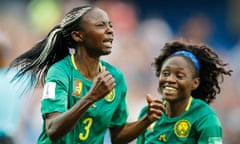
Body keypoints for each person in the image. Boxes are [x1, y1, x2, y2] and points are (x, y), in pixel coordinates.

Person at [8, 5, 165, 144]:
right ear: (78, 35)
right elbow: (52, 129)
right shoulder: (60, 72)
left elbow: (117, 136)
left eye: (110, 25)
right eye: (100, 25)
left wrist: (146, 120)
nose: (110, 30)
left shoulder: (115, 76)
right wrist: (91, 97)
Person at [137, 40, 232, 143]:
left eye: (179, 76)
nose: (170, 79)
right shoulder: (148, 113)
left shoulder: (205, 117)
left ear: (195, 83)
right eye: (165, 73)